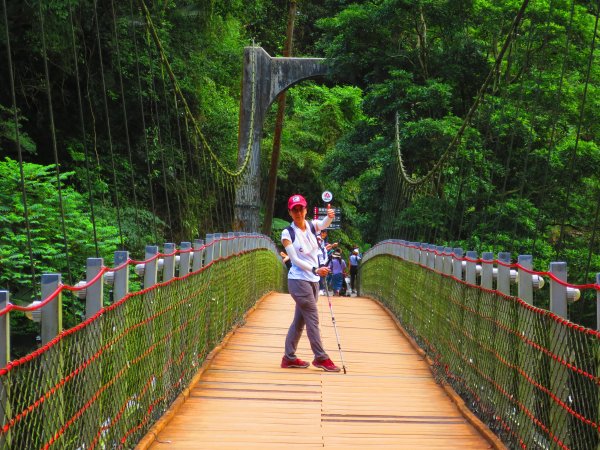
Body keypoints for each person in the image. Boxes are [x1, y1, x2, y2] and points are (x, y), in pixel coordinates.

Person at [280, 194, 341, 372]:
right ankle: (321, 357)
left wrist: (329, 216)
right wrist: (315, 269)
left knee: (299, 321)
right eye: (294, 209)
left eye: (301, 208)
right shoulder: (287, 233)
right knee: (312, 318)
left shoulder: (312, 226)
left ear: (306, 210)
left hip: (313, 280)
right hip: (299, 281)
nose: (298, 212)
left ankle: (288, 357)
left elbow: (323, 224)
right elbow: (295, 260)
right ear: (290, 212)